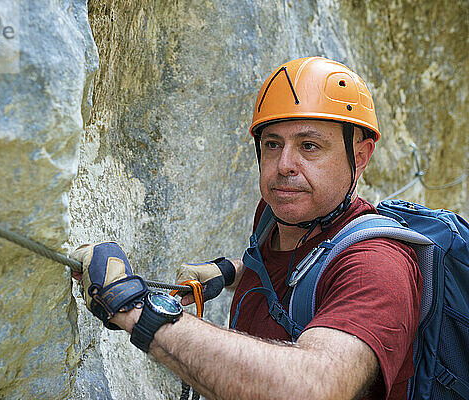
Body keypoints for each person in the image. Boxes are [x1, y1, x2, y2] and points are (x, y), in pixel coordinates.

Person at [70, 57, 422, 400]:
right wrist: (231, 272)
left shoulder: (379, 266)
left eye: (309, 146)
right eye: (272, 144)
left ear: (360, 155)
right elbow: (293, 270)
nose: (285, 165)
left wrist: (132, 307)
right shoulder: (277, 213)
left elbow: (316, 388)